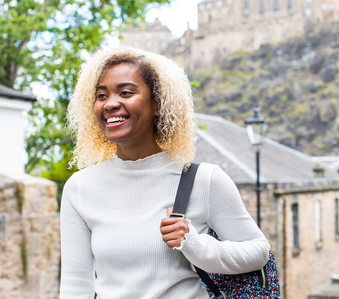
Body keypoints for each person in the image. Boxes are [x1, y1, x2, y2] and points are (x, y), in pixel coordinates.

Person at [60, 46, 270, 298]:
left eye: (126, 92)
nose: (110, 103)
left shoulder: (204, 180)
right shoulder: (80, 187)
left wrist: (194, 244)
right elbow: (75, 285)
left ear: (158, 103)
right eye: (101, 95)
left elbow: (258, 252)